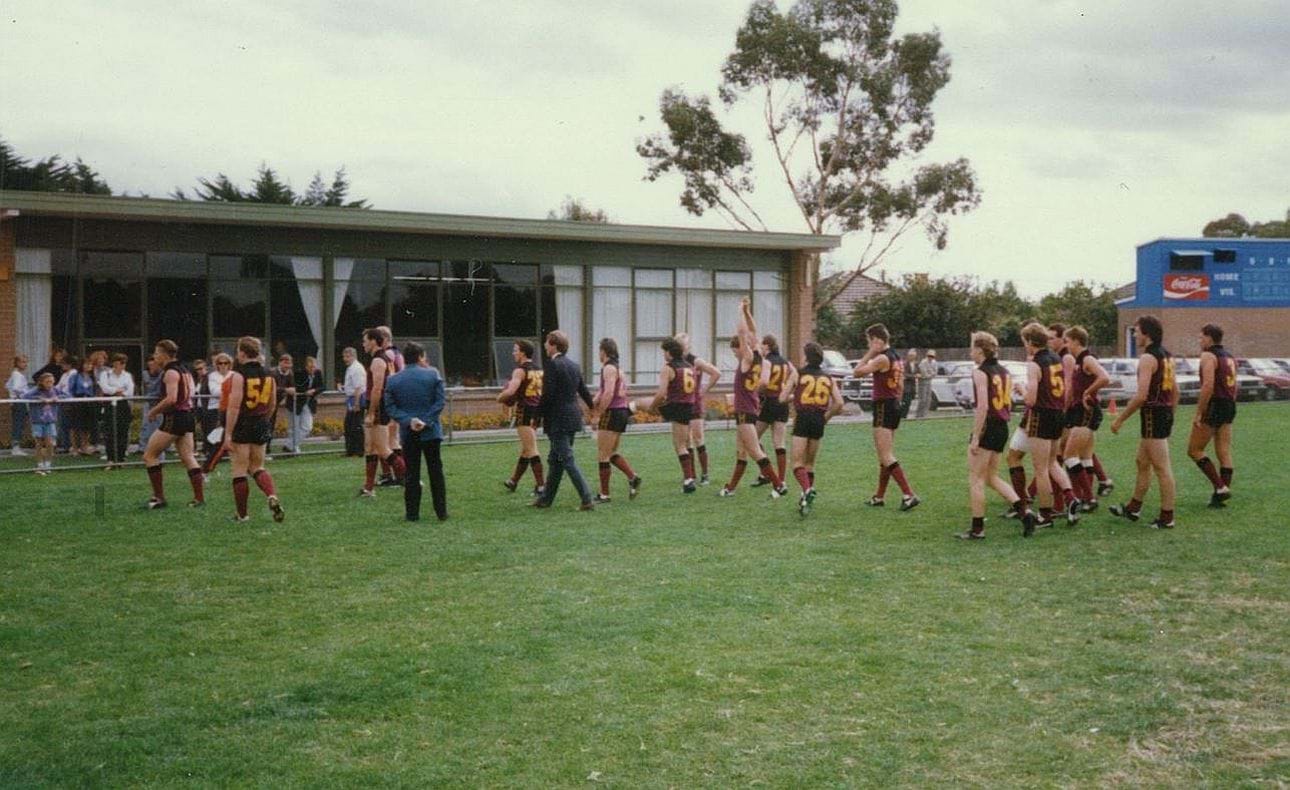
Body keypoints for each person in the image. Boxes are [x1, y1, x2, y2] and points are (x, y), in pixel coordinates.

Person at [958, 332, 1034, 539]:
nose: (970, 351)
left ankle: (977, 529)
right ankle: (1024, 511)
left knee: (976, 479)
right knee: (991, 477)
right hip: (1002, 426)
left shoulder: (980, 372)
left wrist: (975, 436)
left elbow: (982, 406)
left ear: (981, 350)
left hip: (988, 426)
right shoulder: (1004, 371)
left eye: (972, 347)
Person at [1110, 315, 1178, 529]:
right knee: (1142, 462)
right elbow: (1175, 391)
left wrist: (1120, 419)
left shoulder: (1148, 358)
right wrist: (1170, 414)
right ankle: (1134, 507)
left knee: (1161, 467)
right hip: (1161, 413)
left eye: (1137, 331)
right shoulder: (1167, 355)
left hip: (1152, 414)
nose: (1135, 334)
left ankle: (1167, 517)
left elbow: (1141, 396)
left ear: (1147, 333)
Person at [720, 298, 785, 498]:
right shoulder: (762, 361)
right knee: (741, 451)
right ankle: (730, 488)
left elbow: (743, 332)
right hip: (751, 408)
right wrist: (748, 312)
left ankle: (778, 485)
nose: (734, 354)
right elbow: (752, 332)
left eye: (735, 350)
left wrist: (740, 311)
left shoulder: (747, 359)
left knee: (755, 451)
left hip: (744, 411)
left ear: (742, 348)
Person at [851, 323, 920, 511]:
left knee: (886, 455)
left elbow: (856, 372)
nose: (868, 345)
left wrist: (869, 354)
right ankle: (879, 496)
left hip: (883, 405)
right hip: (893, 404)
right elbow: (900, 385)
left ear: (877, 341)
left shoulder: (881, 358)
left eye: (869, 341)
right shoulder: (896, 357)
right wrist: (896, 401)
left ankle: (909, 494)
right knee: (885, 455)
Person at [1018, 322, 1077, 529]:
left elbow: (1031, 400)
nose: (1025, 346)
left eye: (1025, 342)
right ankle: (1070, 498)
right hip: (1057, 415)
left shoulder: (1035, 364)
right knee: (1052, 463)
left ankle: (1045, 515)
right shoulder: (1056, 359)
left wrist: (1021, 391)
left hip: (1041, 416)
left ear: (1031, 342)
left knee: (1040, 468)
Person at [221, 336, 284, 523]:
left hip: (243, 423)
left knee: (239, 470)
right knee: (258, 466)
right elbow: (273, 404)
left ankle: (242, 515)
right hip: (261, 422)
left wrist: (228, 433)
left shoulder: (239, 375)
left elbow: (234, 406)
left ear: (242, 353)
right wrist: (264, 420)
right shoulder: (270, 374)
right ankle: (271, 494)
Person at [531, 330, 595, 511]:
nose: (544, 345)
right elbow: (582, 390)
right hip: (572, 416)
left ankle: (586, 498)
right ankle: (545, 499)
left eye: (546, 343)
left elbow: (547, 395)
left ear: (553, 345)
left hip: (557, 419)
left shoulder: (552, 365)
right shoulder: (574, 365)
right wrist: (592, 407)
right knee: (556, 459)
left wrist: (536, 417)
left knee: (566, 459)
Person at [383, 342, 448, 521]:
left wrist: (408, 420)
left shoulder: (393, 380)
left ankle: (412, 513)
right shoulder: (433, 374)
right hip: (431, 431)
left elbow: (390, 407)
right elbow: (440, 402)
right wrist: (426, 421)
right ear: (420, 357)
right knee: (436, 471)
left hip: (408, 432)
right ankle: (441, 511)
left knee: (412, 473)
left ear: (404, 358)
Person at [779, 341, 842, 517]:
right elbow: (839, 403)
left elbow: (782, 398)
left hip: (803, 418)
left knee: (797, 463)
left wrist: (795, 396)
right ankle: (806, 500)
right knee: (810, 464)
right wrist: (825, 418)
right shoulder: (828, 377)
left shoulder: (798, 373)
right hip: (818, 420)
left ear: (806, 356)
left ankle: (807, 490)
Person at [141, 340, 205, 509]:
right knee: (188, 457)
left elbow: (171, 399)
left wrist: (154, 411)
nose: (154, 357)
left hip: (175, 417)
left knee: (149, 455)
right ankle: (199, 498)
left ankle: (159, 497)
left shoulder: (170, 372)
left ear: (164, 354)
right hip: (188, 416)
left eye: (156, 353)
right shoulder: (185, 370)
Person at [639, 337, 699, 493]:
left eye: (664, 351)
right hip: (688, 407)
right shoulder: (689, 366)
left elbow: (660, 394)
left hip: (676, 406)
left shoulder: (668, 368)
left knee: (640, 403)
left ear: (669, 353)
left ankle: (688, 480)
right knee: (684, 444)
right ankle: (689, 478)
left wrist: (653, 408)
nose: (663, 355)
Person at [1061, 327, 1110, 511]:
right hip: (1079, 411)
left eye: (1067, 341)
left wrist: (1089, 392)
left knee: (1068, 456)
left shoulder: (1088, 359)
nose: (1066, 345)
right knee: (1085, 457)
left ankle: (1089, 498)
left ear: (1075, 341)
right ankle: (1084, 497)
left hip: (1086, 411)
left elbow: (1105, 378)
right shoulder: (1078, 361)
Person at [1187, 323, 1236, 508]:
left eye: (1201, 337)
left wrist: (1199, 411)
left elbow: (1208, 385)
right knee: (1223, 451)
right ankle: (1219, 498)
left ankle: (1220, 486)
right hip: (1229, 404)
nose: (1199, 341)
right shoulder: (1229, 356)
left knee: (1194, 450)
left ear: (1209, 338)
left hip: (1214, 404)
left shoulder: (1208, 355)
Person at [589, 337, 640, 503]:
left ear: (603, 351)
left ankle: (604, 494)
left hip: (612, 412)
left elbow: (609, 393)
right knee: (610, 452)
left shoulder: (608, 368)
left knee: (603, 455)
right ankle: (632, 477)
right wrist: (593, 401)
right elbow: (606, 390)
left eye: (599, 351)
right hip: (621, 412)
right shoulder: (618, 368)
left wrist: (597, 415)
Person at [358, 327, 407, 497]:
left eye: (365, 341)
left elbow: (377, 388)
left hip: (378, 407)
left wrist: (371, 413)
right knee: (370, 448)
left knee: (383, 449)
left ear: (373, 341)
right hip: (380, 407)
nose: (363, 344)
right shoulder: (383, 359)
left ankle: (410, 478)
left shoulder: (378, 360)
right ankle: (368, 488)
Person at [497, 339, 546, 497]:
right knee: (527, 448)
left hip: (525, 410)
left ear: (523, 352)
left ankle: (541, 486)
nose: (513, 352)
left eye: (515, 350)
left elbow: (511, 391)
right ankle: (513, 481)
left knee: (531, 449)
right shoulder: (539, 369)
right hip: (536, 410)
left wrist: (499, 397)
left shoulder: (520, 370)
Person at [676, 332, 721, 486]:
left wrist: (703, 390)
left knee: (698, 438)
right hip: (682, 405)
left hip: (695, 405)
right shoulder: (675, 363)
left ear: (688, 346)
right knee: (686, 441)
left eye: (684, 345)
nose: (682, 349)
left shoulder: (696, 361)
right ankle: (691, 475)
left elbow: (716, 373)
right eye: (679, 346)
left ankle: (705, 474)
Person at [752, 334, 793, 488]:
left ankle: (766, 473)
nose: (761, 348)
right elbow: (794, 377)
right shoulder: (786, 362)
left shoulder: (767, 362)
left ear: (767, 346)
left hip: (769, 402)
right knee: (779, 443)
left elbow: (764, 382)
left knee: (753, 438)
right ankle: (781, 479)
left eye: (762, 345)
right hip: (782, 403)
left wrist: (754, 394)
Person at [377, 326, 406, 485]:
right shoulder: (397, 354)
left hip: (390, 400)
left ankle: (398, 475)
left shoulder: (387, 355)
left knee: (386, 440)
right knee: (391, 439)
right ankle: (395, 475)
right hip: (396, 399)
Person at [22, 371, 65, 475]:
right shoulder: (36, 390)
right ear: (42, 382)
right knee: (39, 443)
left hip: (50, 421)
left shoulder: (55, 390)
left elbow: (67, 395)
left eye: (52, 382)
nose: (50, 384)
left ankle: (48, 464)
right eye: (47, 382)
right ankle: (40, 464)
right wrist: (38, 399)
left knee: (50, 443)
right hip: (38, 421)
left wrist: (57, 398)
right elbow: (24, 396)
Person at [97, 353, 135, 469]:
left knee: (123, 431)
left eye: (124, 363)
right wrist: (116, 390)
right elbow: (105, 388)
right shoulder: (106, 374)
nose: (122, 365)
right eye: (120, 362)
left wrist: (121, 392)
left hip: (123, 404)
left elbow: (130, 390)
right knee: (110, 431)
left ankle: (121, 459)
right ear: (114, 363)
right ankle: (111, 459)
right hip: (110, 403)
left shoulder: (127, 375)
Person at [67, 356, 98, 456]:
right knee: (75, 425)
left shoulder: (91, 377)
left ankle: (84, 446)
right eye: (86, 364)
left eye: (90, 364)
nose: (89, 366)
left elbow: (93, 390)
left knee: (87, 426)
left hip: (88, 401)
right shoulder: (75, 376)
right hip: (77, 401)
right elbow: (70, 390)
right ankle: (75, 448)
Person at [339, 347, 365, 457]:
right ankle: (351, 450)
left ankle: (358, 450)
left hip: (356, 399)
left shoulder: (356, 369)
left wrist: (356, 403)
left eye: (347, 356)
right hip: (351, 398)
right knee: (349, 425)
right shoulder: (350, 368)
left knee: (355, 426)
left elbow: (358, 388)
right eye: (344, 356)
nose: (345, 359)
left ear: (353, 356)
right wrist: (344, 387)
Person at [295, 356, 324, 448]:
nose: (312, 369)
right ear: (306, 367)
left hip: (309, 403)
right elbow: (297, 386)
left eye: (314, 367)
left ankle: (291, 445)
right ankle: (294, 447)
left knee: (307, 427)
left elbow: (322, 387)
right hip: (298, 402)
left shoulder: (318, 373)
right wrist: (305, 391)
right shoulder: (300, 373)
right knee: (295, 427)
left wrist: (314, 390)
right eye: (310, 367)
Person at [139, 354, 164, 455]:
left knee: (159, 428)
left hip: (160, 404)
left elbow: (157, 389)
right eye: (150, 363)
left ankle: (158, 454)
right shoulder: (145, 373)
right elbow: (148, 386)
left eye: (154, 363)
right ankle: (144, 448)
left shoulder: (163, 374)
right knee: (146, 426)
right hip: (149, 402)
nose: (152, 365)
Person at [272, 354, 298, 453]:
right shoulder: (272, 373)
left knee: (271, 424)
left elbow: (292, 386)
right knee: (267, 425)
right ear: (280, 362)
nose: (287, 366)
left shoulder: (289, 374)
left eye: (289, 363)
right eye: (285, 363)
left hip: (276, 403)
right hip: (267, 403)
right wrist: (286, 390)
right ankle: (266, 450)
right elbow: (271, 388)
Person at [8, 354, 30, 455]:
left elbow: (7, 385)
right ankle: (15, 448)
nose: (25, 364)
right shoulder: (17, 375)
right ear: (17, 363)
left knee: (20, 423)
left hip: (18, 401)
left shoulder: (16, 374)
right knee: (18, 424)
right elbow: (16, 388)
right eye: (23, 362)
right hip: (19, 402)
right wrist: (24, 394)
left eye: (26, 362)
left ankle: (16, 446)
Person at [915, 350, 937, 419]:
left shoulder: (934, 362)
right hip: (923, 381)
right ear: (926, 356)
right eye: (929, 356)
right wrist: (930, 373)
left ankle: (925, 414)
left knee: (928, 399)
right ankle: (919, 415)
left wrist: (929, 373)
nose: (930, 357)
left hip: (929, 381)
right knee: (922, 399)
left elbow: (935, 372)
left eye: (932, 356)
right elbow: (924, 373)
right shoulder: (923, 362)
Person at [901, 349, 918, 418]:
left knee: (909, 402)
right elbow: (904, 374)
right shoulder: (905, 364)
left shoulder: (916, 364)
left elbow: (918, 372)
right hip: (906, 386)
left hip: (912, 386)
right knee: (905, 402)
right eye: (911, 355)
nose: (912, 357)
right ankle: (903, 416)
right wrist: (914, 376)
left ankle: (905, 416)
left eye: (913, 356)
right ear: (908, 356)